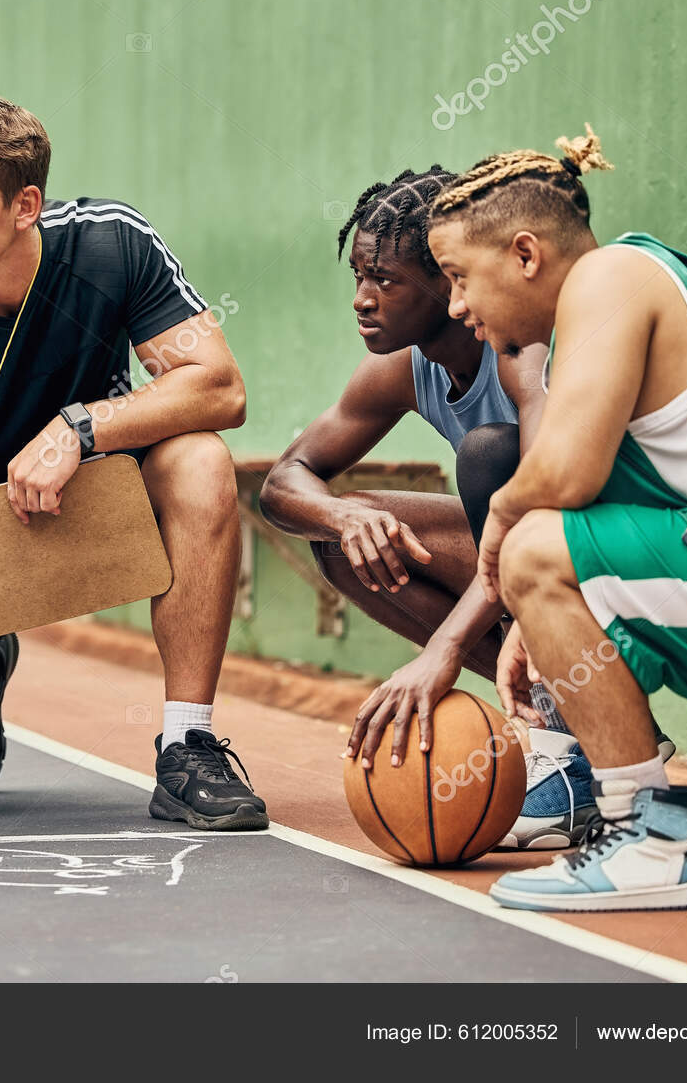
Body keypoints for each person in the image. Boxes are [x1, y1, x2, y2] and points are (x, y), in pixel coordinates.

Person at [426, 125, 687, 909]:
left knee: (533, 548)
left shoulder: (610, 277)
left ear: (525, 254)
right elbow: (637, 517)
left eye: (459, 277)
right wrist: (536, 623)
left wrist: (504, 533)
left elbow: (566, 475)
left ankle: (651, 837)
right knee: (590, 593)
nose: (457, 305)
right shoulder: (613, 309)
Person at [0, 92, 265, 829]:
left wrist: (80, 427)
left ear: (24, 205)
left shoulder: (110, 245)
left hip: (91, 506)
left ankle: (187, 745)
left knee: (199, 460)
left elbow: (219, 386)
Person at [260, 167, 666, 850]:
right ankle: (582, 713)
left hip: (615, 549)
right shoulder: (403, 365)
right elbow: (284, 482)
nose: (362, 299)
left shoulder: (519, 348)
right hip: (531, 560)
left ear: (447, 282)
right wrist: (344, 519)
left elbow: (546, 509)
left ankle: (571, 744)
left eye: (385, 280)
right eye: (358, 276)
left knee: (489, 456)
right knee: (342, 536)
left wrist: (443, 649)